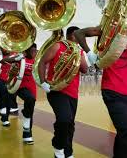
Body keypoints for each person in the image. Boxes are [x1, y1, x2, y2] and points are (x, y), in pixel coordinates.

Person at [74, 2, 127, 157]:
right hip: (112, 90)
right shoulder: (111, 33)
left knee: (123, 132)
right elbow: (79, 34)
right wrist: (89, 53)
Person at [37, 27, 88, 158]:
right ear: (73, 35)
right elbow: (42, 62)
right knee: (64, 119)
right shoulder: (57, 46)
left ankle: (68, 152)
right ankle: (58, 146)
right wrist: (43, 82)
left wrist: (81, 55)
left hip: (72, 92)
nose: (83, 38)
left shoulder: (79, 51)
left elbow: (85, 70)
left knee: (70, 123)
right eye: (80, 35)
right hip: (55, 90)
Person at [1, 43, 38, 144]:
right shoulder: (20, 57)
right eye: (32, 51)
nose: (34, 53)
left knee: (30, 108)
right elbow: (3, 61)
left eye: (35, 51)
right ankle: (5, 117)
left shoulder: (36, 59)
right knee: (11, 101)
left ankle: (27, 134)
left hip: (31, 87)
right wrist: (17, 58)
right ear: (26, 51)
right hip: (18, 85)